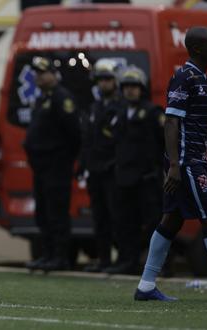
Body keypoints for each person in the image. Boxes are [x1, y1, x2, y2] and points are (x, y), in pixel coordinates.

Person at [135, 26, 207, 301]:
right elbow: (171, 120)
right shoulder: (183, 76)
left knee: (172, 221)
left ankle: (146, 286)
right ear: (197, 49)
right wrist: (174, 164)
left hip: (196, 160)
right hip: (187, 162)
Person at [23, 56, 81, 271]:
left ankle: (60, 257)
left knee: (57, 212)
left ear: (52, 74)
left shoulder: (61, 98)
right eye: (36, 73)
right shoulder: (42, 98)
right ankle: (47, 255)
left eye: (42, 72)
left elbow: (74, 133)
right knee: (44, 212)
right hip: (41, 167)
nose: (38, 77)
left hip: (57, 165)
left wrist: (64, 159)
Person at [107, 66, 164, 275]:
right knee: (125, 223)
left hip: (146, 179)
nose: (130, 91)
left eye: (134, 86)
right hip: (123, 179)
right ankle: (127, 261)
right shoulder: (119, 113)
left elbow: (165, 144)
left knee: (153, 224)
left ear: (142, 89)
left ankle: (159, 266)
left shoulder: (152, 113)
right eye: (126, 87)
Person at [80, 59, 125, 273]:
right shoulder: (94, 108)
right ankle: (104, 259)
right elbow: (87, 140)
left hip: (114, 171)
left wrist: (115, 165)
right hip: (96, 171)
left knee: (119, 217)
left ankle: (123, 260)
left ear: (116, 80)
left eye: (107, 79)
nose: (103, 84)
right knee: (100, 217)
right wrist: (84, 165)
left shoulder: (123, 107)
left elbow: (124, 142)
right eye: (100, 80)